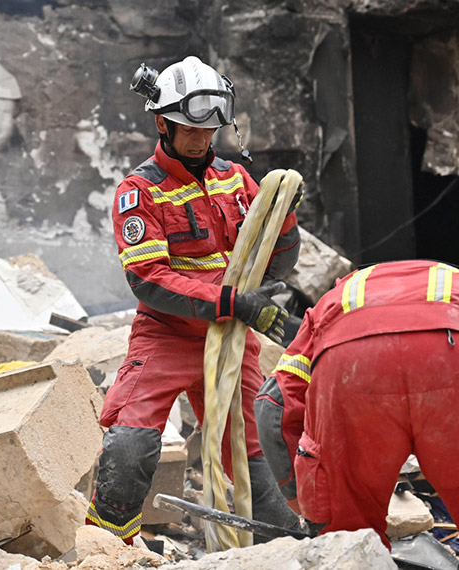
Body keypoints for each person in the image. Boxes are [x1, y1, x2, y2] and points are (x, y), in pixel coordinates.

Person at [85, 56, 303, 543]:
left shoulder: (238, 180)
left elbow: (274, 264)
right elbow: (150, 280)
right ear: (162, 124)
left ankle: (283, 550)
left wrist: (285, 217)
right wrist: (233, 302)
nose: (202, 140)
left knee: (256, 455)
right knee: (130, 445)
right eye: (189, 130)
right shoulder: (139, 191)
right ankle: (107, 548)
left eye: (209, 130)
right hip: (167, 335)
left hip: (230, 337)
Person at [254, 260, 459, 570]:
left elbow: (272, 406)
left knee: (347, 544)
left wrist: (310, 504)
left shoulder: (334, 302)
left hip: (351, 363)